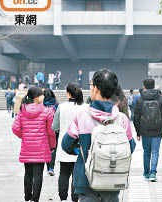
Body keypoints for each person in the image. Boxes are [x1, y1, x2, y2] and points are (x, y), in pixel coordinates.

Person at [61, 68, 136, 201]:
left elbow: (66, 145)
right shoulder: (121, 119)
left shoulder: (82, 116)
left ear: (95, 88)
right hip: (113, 181)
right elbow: (130, 147)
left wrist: (84, 151)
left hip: (86, 180)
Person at [12, 87, 56, 202]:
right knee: (38, 174)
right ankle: (35, 199)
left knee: (28, 173)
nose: (43, 97)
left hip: (27, 146)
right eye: (41, 95)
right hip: (41, 147)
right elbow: (50, 131)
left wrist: (25, 136)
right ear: (36, 98)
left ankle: (27, 197)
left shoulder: (22, 110)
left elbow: (15, 128)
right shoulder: (46, 111)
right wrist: (52, 146)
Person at [52, 83, 85, 202]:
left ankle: (63, 198)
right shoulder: (85, 107)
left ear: (68, 93)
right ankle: (75, 198)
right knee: (77, 174)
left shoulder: (61, 107)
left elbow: (55, 127)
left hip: (64, 145)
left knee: (64, 173)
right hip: (80, 146)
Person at [133, 78, 162, 182]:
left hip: (145, 130)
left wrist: (138, 131)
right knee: (155, 151)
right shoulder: (160, 99)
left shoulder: (140, 99)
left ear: (144, 86)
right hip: (158, 129)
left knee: (146, 152)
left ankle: (146, 173)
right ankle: (153, 173)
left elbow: (136, 117)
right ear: (154, 86)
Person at [44, 88, 59, 176]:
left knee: (46, 148)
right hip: (54, 129)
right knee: (53, 149)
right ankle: (51, 168)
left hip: (44, 129)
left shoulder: (42, 105)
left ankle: (47, 168)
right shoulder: (56, 105)